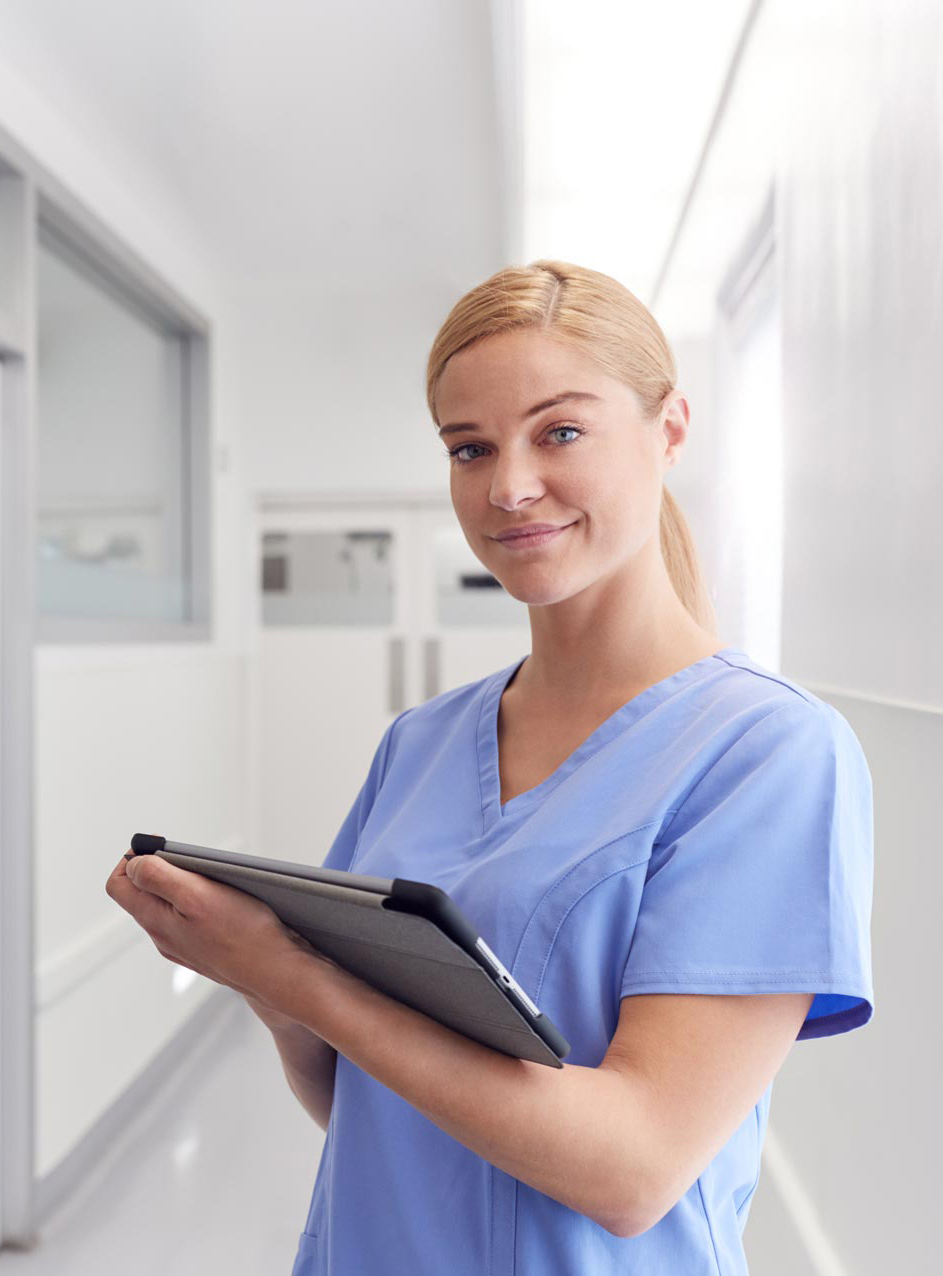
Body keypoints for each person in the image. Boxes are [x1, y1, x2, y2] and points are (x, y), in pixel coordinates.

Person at [107, 259, 875, 1275]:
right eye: (470, 448)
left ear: (670, 430)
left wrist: (289, 968)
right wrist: (266, 988)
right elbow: (363, 1096)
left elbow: (635, 1169)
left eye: (560, 431)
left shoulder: (768, 754)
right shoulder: (421, 743)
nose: (509, 485)